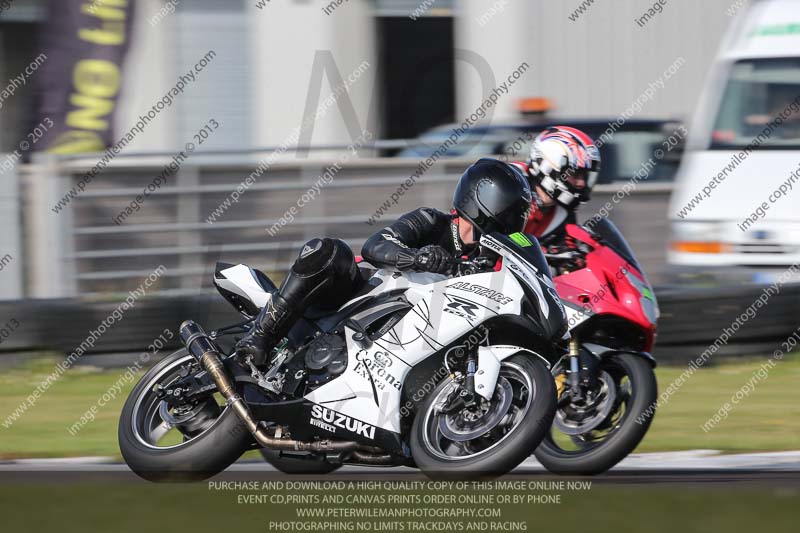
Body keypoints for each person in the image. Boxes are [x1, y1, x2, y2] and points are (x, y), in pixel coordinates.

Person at [234, 158, 532, 364]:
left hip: (415, 339)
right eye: (513, 211)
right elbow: (375, 245)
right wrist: (419, 258)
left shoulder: (488, 260)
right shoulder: (432, 221)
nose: (516, 220)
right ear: (488, 201)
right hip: (360, 300)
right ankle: (259, 337)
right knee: (329, 251)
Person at [510, 126, 601, 240]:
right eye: (575, 174)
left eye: (585, 176)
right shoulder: (511, 184)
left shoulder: (562, 213)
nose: (581, 183)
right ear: (548, 166)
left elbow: (567, 245)